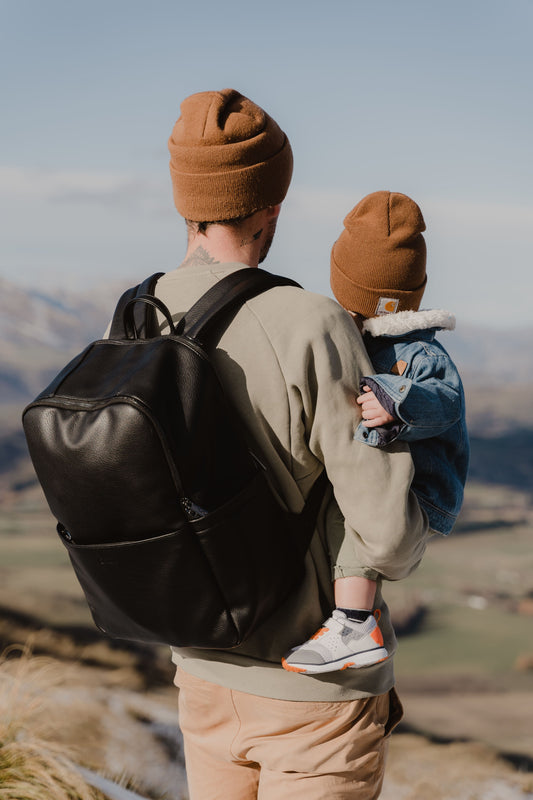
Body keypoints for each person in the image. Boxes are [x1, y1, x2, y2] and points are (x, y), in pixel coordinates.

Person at [155, 90, 429, 800]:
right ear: (270, 202)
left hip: (200, 671)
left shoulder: (140, 315)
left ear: (185, 197)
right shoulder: (309, 321)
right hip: (314, 693)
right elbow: (389, 536)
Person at [283, 191, 469, 675]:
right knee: (342, 516)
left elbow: (446, 404)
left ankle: (353, 625)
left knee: (355, 522)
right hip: (393, 482)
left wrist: (393, 399)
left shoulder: (421, 355)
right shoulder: (362, 339)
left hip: (419, 492)